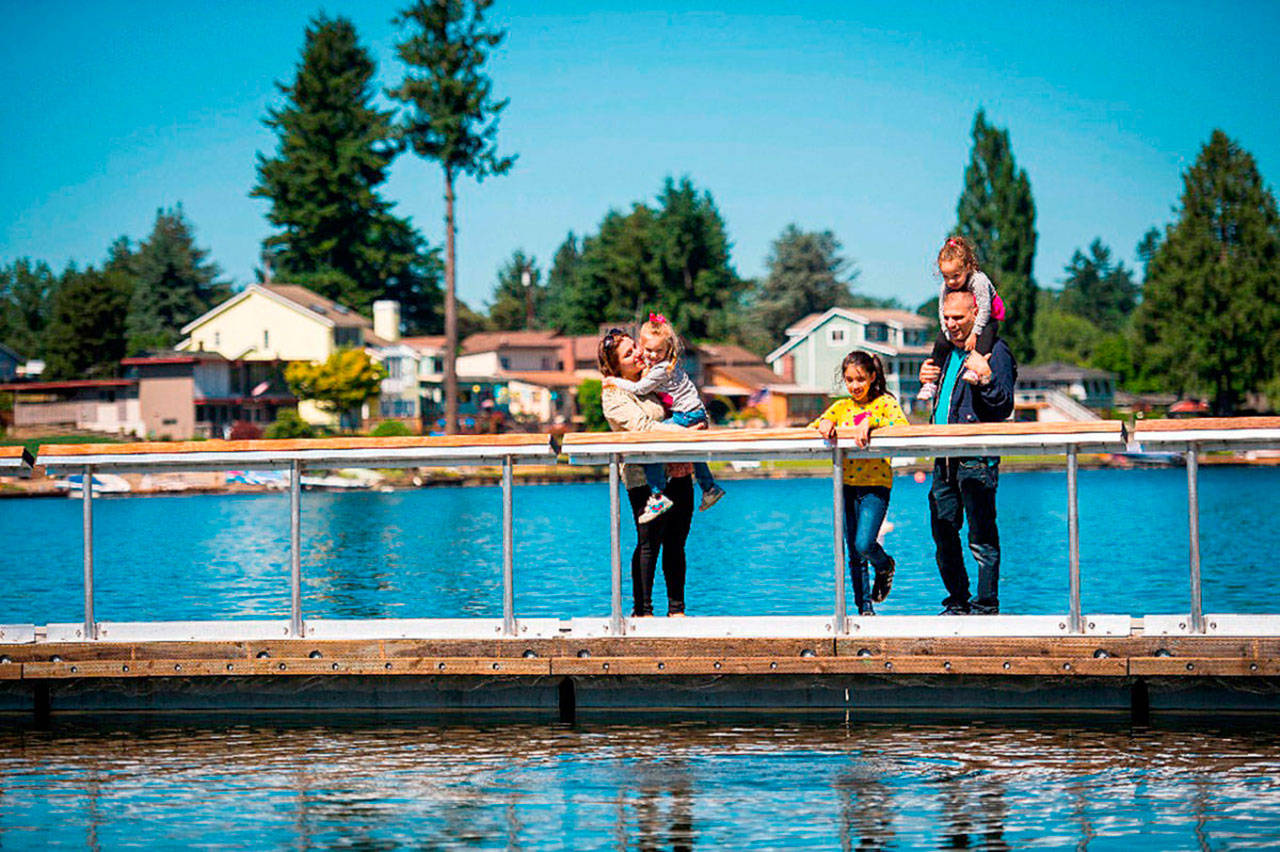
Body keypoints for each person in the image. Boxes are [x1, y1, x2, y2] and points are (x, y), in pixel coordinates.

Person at [919, 288, 1017, 614]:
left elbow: (1003, 406)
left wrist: (986, 379)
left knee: (981, 536)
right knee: (943, 533)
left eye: (958, 317)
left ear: (977, 314)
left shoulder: (996, 352)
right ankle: (957, 601)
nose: (951, 324)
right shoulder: (947, 353)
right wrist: (927, 378)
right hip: (944, 458)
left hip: (976, 458)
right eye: (946, 318)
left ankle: (986, 605)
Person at [598, 327, 702, 617]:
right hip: (644, 479)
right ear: (615, 365)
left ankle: (677, 611)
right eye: (628, 353)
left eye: (636, 347)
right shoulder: (614, 394)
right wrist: (685, 436)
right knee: (649, 542)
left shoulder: (655, 377)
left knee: (677, 543)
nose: (638, 354)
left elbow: (686, 404)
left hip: (678, 471)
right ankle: (642, 611)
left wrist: (696, 431)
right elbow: (643, 427)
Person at [811, 351, 909, 616]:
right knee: (852, 552)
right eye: (849, 380)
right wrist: (826, 422)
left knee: (864, 544)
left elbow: (901, 425)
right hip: (847, 485)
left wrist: (871, 422)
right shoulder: (843, 406)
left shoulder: (885, 403)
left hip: (875, 485)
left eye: (860, 379)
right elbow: (815, 425)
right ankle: (864, 608)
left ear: (872, 377)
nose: (855, 386)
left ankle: (885, 565)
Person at [602, 312, 725, 523]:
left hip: (687, 416)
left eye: (658, 350)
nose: (649, 355)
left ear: (668, 350)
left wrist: (613, 380)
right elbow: (642, 423)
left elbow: (639, 390)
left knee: (654, 447)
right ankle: (709, 486)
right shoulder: (659, 368)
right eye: (647, 350)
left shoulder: (658, 371)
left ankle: (658, 496)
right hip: (691, 414)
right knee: (682, 446)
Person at [918, 235, 1006, 400]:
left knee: (988, 330)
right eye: (946, 277)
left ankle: (975, 369)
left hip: (987, 317)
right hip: (972, 318)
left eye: (956, 276)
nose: (951, 281)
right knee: (940, 340)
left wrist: (974, 334)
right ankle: (930, 382)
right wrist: (948, 334)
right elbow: (940, 309)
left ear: (967, 267)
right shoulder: (946, 286)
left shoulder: (978, 280)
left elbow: (985, 309)